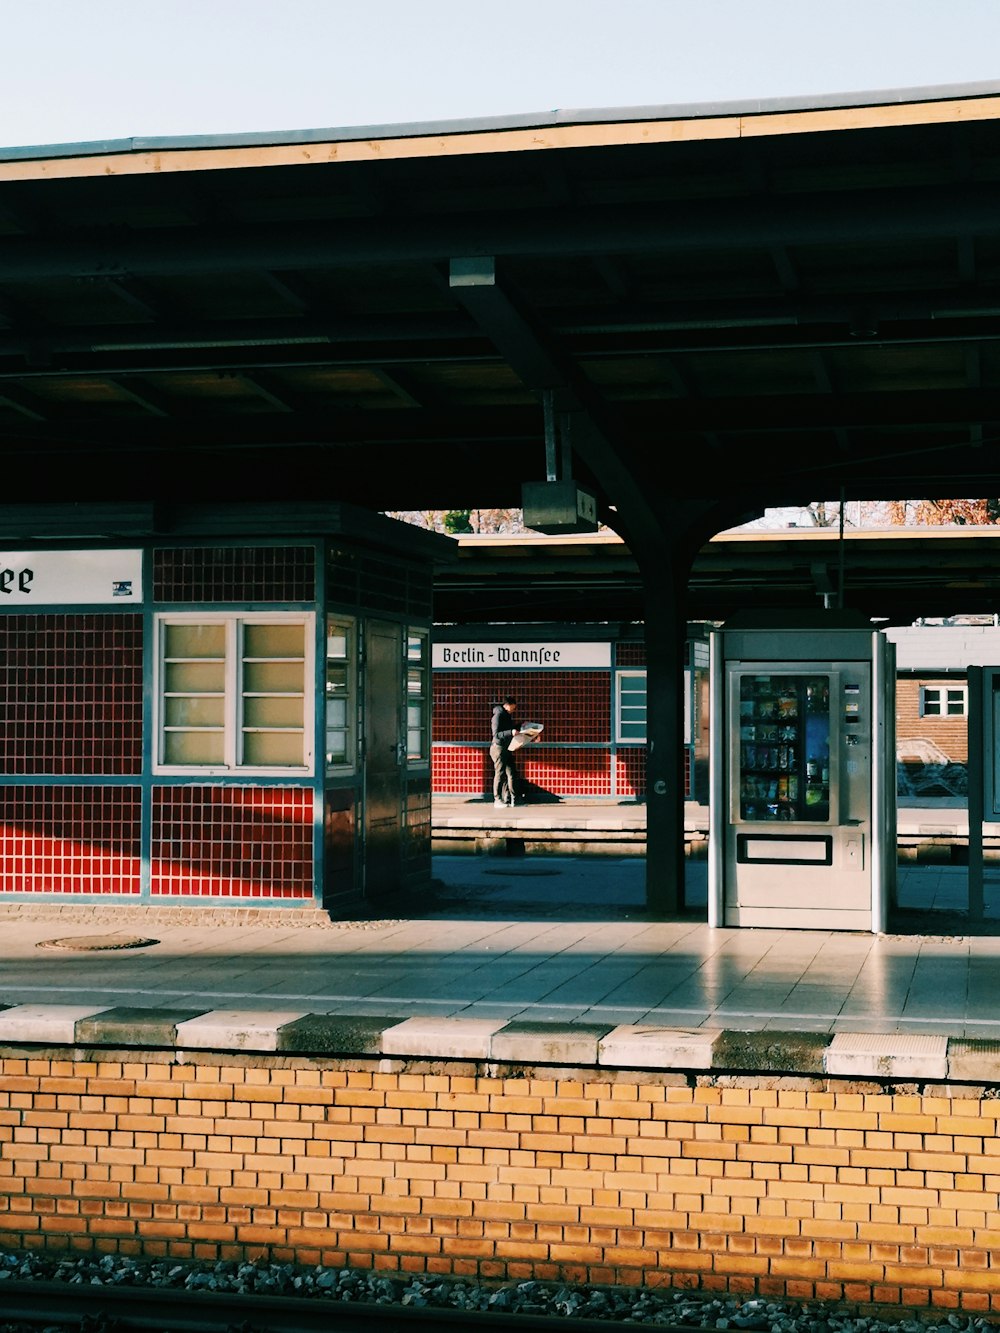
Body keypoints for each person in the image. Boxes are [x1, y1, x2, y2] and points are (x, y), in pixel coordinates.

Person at [489, 695, 520, 807]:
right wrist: (510, 732)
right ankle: (497, 799)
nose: (514, 709)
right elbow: (496, 734)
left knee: (511, 772)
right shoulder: (498, 715)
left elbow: (510, 729)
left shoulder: (507, 716)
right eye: (513, 707)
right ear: (507, 705)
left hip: (506, 747)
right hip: (498, 747)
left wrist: (521, 727)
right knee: (500, 773)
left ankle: (510, 798)